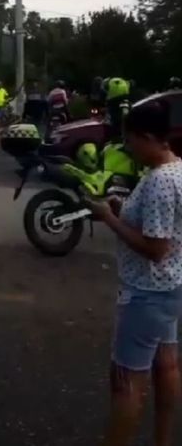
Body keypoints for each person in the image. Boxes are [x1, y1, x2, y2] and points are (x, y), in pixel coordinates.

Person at [83, 100, 182, 446]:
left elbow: (156, 248)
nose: (127, 148)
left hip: (146, 292)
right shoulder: (177, 170)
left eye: (130, 141)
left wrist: (109, 219)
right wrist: (121, 210)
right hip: (170, 288)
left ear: (145, 137)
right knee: (166, 366)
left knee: (126, 379)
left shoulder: (158, 181)